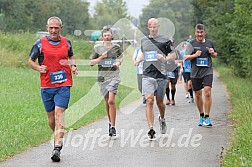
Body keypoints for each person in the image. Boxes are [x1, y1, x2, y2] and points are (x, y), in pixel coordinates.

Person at [28, 16, 78, 162]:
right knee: (51, 120)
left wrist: (73, 66)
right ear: (47, 28)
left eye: (56, 28)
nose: (54, 30)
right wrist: (38, 67)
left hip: (64, 83)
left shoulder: (66, 42)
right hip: (47, 85)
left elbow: (71, 56)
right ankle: (58, 135)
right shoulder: (40, 44)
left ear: (61, 28)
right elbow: (30, 61)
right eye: (51, 28)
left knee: (59, 113)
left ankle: (57, 147)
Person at [135, 18, 174, 139]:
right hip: (147, 74)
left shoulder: (165, 40)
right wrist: (138, 59)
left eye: (155, 27)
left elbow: (172, 54)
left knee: (160, 103)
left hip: (161, 75)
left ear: (158, 27)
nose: (153, 29)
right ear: (148, 27)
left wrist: (164, 58)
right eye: (151, 27)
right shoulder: (144, 40)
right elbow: (143, 52)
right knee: (149, 100)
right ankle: (151, 128)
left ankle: (162, 119)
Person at [90, 28, 123, 138]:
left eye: (109, 35)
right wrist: (101, 57)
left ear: (112, 37)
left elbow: (121, 57)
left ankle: (113, 127)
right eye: (105, 35)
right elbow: (91, 63)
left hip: (114, 76)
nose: (107, 37)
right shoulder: (97, 47)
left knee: (111, 100)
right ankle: (110, 123)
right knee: (106, 101)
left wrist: (118, 63)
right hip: (102, 77)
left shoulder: (116, 47)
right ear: (102, 37)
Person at [184, 24, 217, 126]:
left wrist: (212, 53)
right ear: (195, 33)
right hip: (195, 73)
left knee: (207, 92)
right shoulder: (191, 43)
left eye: (201, 32)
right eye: (198, 32)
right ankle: (201, 115)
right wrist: (194, 55)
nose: (200, 34)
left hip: (207, 71)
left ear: (204, 32)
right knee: (198, 95)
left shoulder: (209, 42)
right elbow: (185, 57)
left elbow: (215, 55)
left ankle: (207, 117)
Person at [165, 39, 183, 106]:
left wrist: (177, 61)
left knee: (173, 85)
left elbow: (181, 59)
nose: (170, 44)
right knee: (166, 83)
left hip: (174, 70)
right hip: (166, 69)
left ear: (174, 43)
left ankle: (172, 98)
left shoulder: (176, 51)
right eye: (169, 43)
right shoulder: (164, 51)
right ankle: (167, 99)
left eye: (172, 43)